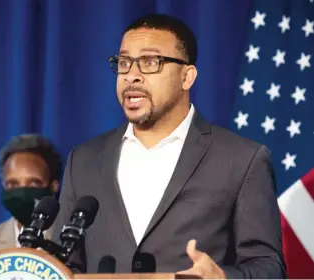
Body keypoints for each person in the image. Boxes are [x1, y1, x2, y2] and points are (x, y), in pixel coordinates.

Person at [52, 14, 287, 278]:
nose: (132, 76)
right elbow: (62, 265)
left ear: (187, 77)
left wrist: (223, 277)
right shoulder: (83, 160)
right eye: (124, 62)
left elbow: (268, 267)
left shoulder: (243, 159)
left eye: (150, 62)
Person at [0, 134, 63, 267]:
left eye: (33, 183)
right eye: (13, 184)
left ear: (53, 186)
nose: (22, 192)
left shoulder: (73, 244)